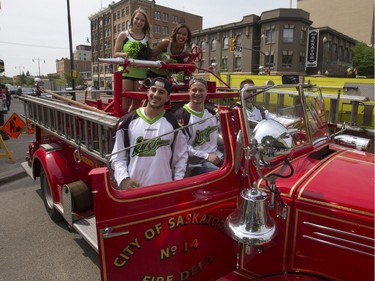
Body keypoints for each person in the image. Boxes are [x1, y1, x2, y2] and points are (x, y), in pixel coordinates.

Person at [110, 77, 188, 190]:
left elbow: (180, 158)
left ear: (167, 98)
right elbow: (118, 157)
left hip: (164, 190)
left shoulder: (173, 124)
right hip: (134, 191)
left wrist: (177, 182)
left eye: (161, 92)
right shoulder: (127, 122)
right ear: (148, 92)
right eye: (153, 90)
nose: (156, 94)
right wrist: (123, 179)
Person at [174, 78, 223, 176]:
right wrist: (206, 156)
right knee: (220, 175)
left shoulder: (212, 113)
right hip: (194, 163)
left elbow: (222, 135)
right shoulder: (181, 115)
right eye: (194, 90)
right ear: (189, 92)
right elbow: (181, 147)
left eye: (201, 90)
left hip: (216, 157)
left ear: (206, 92)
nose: (197, 93)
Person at [114, 8, 152, 114]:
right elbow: (116, 53)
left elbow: (150, 55)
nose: (139, 22)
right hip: (126, 72)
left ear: (145, 23)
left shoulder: (148, 38)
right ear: (132, 19)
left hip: (141, 74)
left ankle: (130, 125)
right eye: (137, 19)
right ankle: (122, 125)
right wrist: (127, 54)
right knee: (125, 105)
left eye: (142, 20)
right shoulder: (124, 35)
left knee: (136, 105)